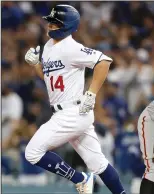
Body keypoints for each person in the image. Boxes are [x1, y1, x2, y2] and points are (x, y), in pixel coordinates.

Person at [24, 4, 126, 194]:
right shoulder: (48, 47)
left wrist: (92, 93)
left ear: (67, 26)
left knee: (32, 152)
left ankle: (80, 178)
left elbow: (104, 62)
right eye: (50, 22)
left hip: (72, 113)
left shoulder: (72, 47)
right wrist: (36, 65)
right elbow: (50, 80)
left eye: (55, 23)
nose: (50, 26)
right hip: (69, 113)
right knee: (99, 164)